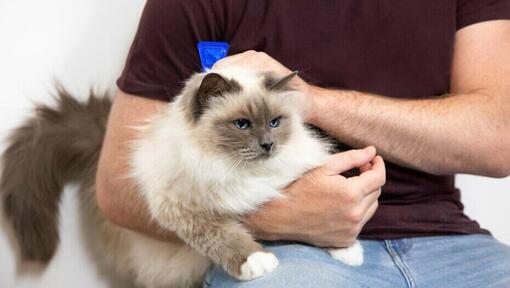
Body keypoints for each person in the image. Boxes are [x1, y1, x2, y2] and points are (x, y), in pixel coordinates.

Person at [96, 0, 510, 287]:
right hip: (284, 252)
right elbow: (118, 190)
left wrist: (313, 101)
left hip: (450, 240)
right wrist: (277, 216)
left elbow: (497, 139)